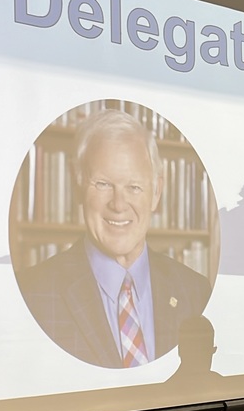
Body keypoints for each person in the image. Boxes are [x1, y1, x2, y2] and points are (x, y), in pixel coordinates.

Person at [18, 108, 212, 369]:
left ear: (156, 192)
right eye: (103, 184)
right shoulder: (32, 294)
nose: (119, 205)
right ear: (78, 185)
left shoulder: (195, 292)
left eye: (134, 187)